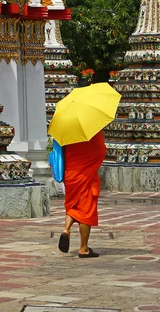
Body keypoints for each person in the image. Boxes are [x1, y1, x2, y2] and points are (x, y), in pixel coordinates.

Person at [58, 69, 109, 258]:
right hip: (86, 176)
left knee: (73, 205)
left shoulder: (67, 131)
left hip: (71, 175)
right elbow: (100, 152)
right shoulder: (92, 131)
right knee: (85, 209)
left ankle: (65, 229)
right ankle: (84, 248)